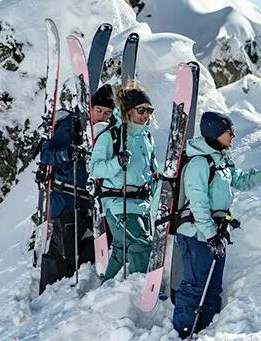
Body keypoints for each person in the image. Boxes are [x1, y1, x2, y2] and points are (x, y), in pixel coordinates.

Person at [172, 111, 261, 338]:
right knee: (196, 286)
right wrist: (210, 235)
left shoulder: (221, 160)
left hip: (215, 233)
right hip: (197, 234)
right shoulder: (199, 164)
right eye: (228, 132)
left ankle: (206, 330)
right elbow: (198, 203)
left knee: (213, 287)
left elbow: (241, 181)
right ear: (215, 133)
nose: (233, 136)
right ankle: (184, 331)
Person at [39, 84, 115, 294]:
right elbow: (46, 155)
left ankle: (74, 295)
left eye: (107, 113)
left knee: (89, 249)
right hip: (65, 197)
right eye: (98, 110)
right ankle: (48, 295)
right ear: (89, 107)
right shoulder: (71, 126)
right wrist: (65, 154)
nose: (101, 116)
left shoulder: (107, 133)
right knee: (63, 249)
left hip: (90, 201)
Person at [89, 81, 158, 281]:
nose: (146, 114)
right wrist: (117, 163)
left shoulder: (147, 138)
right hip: (118, 204)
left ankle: (104, 290)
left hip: (141, 204)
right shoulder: (111, 137)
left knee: (121, 248)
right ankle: (141, 288)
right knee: (141, 245)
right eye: (141, 110)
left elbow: (151, 169)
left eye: (149, 110)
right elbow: (95, 168)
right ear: (128, 112)